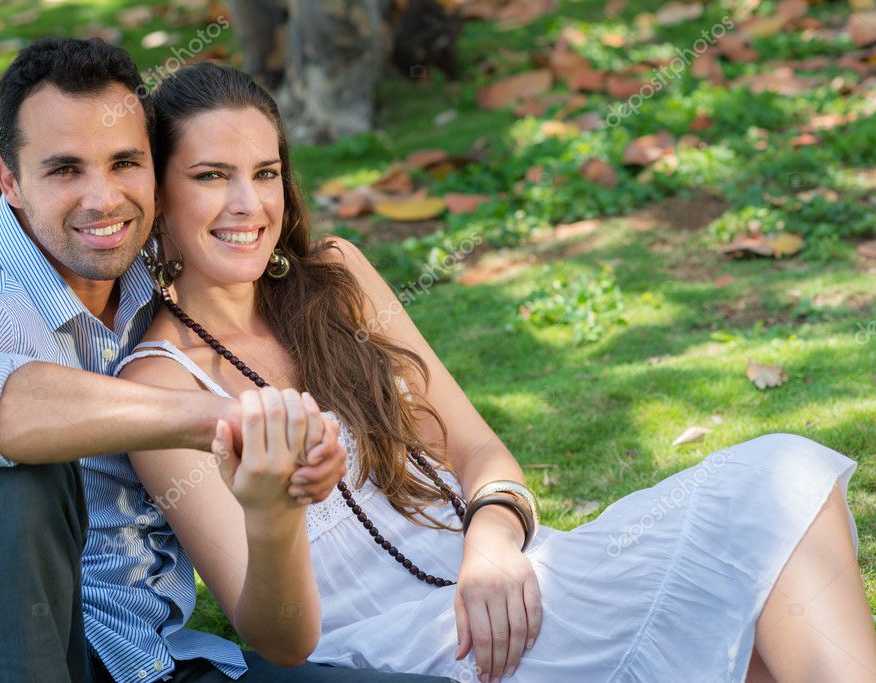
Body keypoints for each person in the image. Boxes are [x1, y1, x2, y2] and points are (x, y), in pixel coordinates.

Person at [117, 60, 876, 683]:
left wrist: (489, 547)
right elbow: (275, 636)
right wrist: (272, 510)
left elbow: (481, 454)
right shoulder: (158, 388)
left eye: (266, 171)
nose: (248, 204)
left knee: (778, 492)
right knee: (750, 631)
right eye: (212, 175)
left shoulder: (334, 276)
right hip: (411, 648)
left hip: (511, 574)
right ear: (159, 192)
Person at [0, 38, 454, 683]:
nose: (104, 199)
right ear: (9, 181)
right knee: (16, 473)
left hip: (146, 660)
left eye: (125, 163)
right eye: (64, 170)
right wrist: (220, 419)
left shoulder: (153, 284)